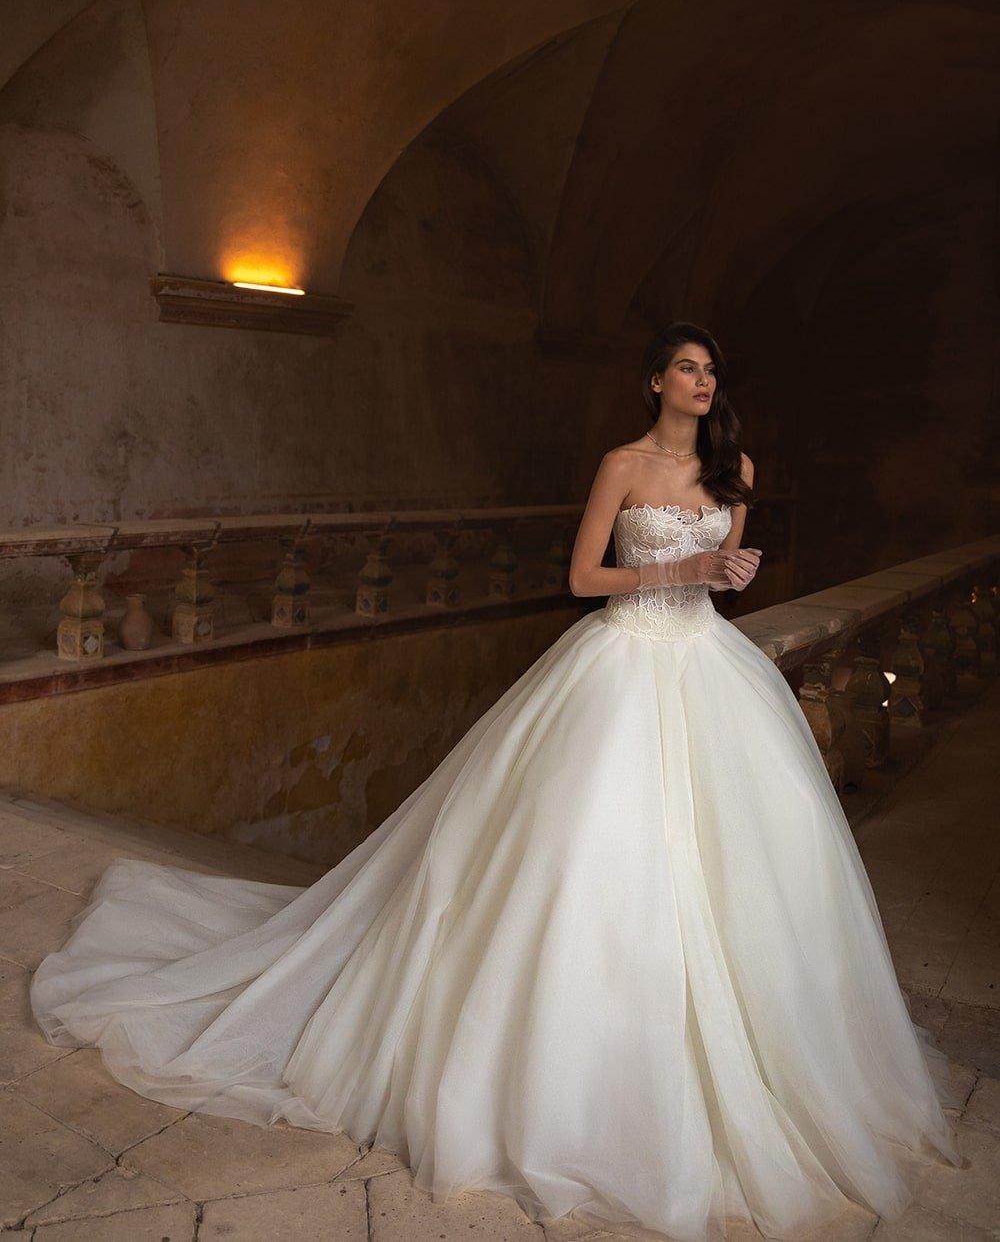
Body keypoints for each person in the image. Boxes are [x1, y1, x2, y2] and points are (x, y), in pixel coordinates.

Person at [29, 322, 965, 1242]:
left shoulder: (738, 473)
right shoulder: (622, 464)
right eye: (686, 367)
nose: (703, 381)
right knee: (580, 856)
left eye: (712, 369)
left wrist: (731, 569)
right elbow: (586, 576)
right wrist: (686, 561)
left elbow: (722, 587)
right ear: (654, 382)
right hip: (619, 668)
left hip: (708, 666)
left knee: (742, 864)